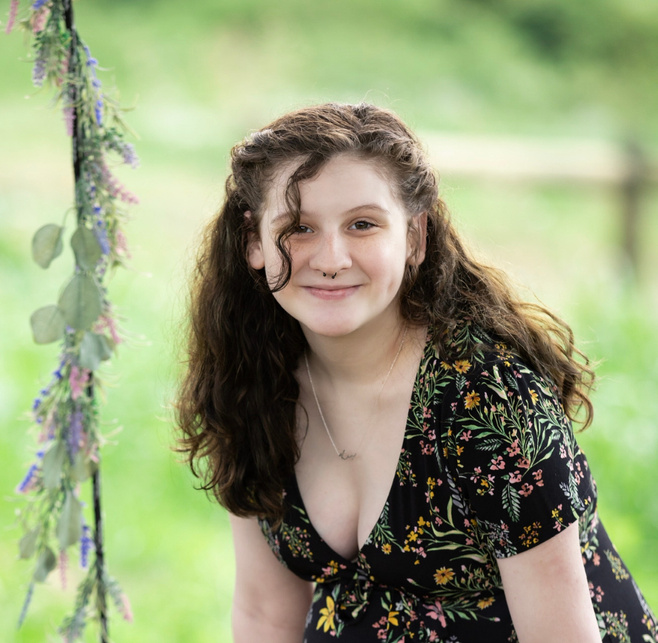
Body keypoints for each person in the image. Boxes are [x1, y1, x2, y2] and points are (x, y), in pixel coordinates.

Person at [175, 102, 657, 642]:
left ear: (415, 237)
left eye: (362, 224)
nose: (331, 259)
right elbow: (265, 613)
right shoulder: (250, 382)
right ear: (253, 242)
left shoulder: (488, 399)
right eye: (299, 227)